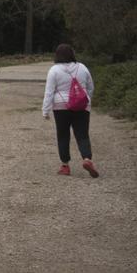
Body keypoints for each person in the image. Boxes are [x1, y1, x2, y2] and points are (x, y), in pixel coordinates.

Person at [42, 43, 99, 177]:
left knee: (63, 135)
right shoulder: (82, 67)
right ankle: (87, 159)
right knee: (82, 134)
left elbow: (49, 92)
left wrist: (45, 110)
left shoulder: (54, 70)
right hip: (82, 106)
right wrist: (87, 100)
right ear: (72, 54)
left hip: (61, 106)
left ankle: (65, 166)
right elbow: (90, 86)